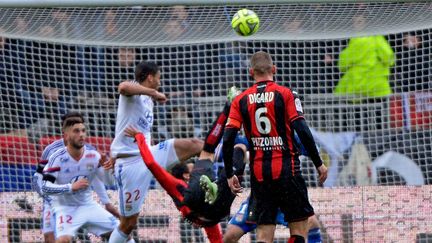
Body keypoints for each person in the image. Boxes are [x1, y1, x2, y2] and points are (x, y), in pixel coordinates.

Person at [222, 51, 328, 243]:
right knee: (298, 231)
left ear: (250, 72)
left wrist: (230, 174)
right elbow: (302, 129)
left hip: (260, 176)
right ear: (274, 69)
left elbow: (228, 138)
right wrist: (318, 163)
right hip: (288, 171)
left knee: (263, 235)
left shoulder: (240, 100)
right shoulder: (286, 94)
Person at [123, 93, 248, 243]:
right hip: (195, 200)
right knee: (210, 151)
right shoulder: (177, 186)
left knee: (237, 152)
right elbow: (150, 163)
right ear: (186, 176)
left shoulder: (179, 192)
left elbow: (214, 237)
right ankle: (230, 107)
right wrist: (140, 137)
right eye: (191, 168)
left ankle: (242, 147)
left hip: (211, 214)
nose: (193, 166)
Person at [108, 61, 203, 243]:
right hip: (129, 164)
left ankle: (220, 162)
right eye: (158, 78)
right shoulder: (133, 94)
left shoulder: (148, 101)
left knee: (195, 144)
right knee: (128, 224)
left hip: (148, 154)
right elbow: (123, 87)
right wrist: (152, 92)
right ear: (150, 77)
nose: (160, 82)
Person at [32, 112, 119, 243]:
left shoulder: (91, 153)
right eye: (75, 129)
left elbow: (96, 178)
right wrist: (49, 199)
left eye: (82, 130)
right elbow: (39, 178)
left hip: (85, 203)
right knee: (51, 238)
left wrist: (106, 202)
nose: (81, 134)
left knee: (120, 232)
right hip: (57, 202)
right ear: (65, 132)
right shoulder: (51, 152)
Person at [224, 134, 323, 243]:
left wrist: (318, 163)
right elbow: (240, 146)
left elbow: (312, 148)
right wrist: (237, 164)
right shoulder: (253, 131)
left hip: (285, 195)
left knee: (312, 224)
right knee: (230, 236)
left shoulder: (291, 134)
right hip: (261, 196)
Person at [334, 15, 395, 98]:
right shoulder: (376, 38)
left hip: (357, 86)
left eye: (359, 21)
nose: (356, 24)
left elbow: (342, 65)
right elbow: (388, 57)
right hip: (377, 86)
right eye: (355, 22)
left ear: (365, 22)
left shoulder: (354, 41)